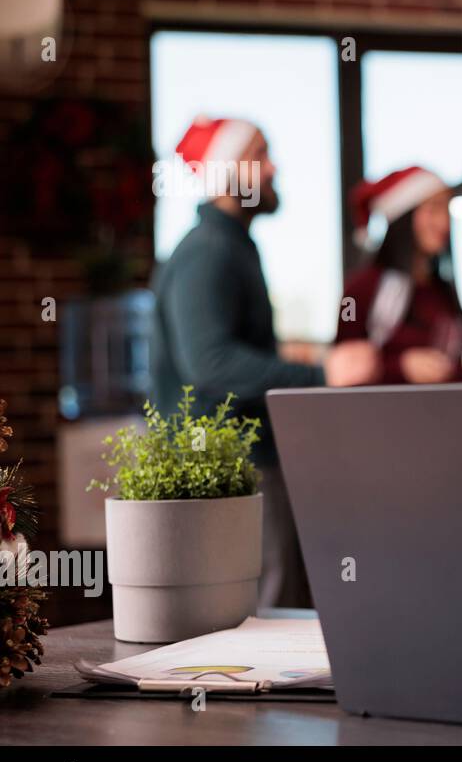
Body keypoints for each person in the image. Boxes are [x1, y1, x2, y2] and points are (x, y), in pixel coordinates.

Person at [151, 116, 381, 609]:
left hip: (241, 461)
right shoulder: (209, 252)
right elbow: (210, 363)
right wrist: (323, 373)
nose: (273, 167)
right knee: (262, 615)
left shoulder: (232, 247)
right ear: (227, 172)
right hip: (232, 465)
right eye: (259, 155)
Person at [337, 167, 462, 383]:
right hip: (381, 413)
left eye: (447, 210)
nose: (444, 222)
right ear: (404, 215)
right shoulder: (356, 293)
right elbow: (342, 363)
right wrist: (400, 366)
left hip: (443, 412)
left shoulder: (443, 293)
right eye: (433, 209)